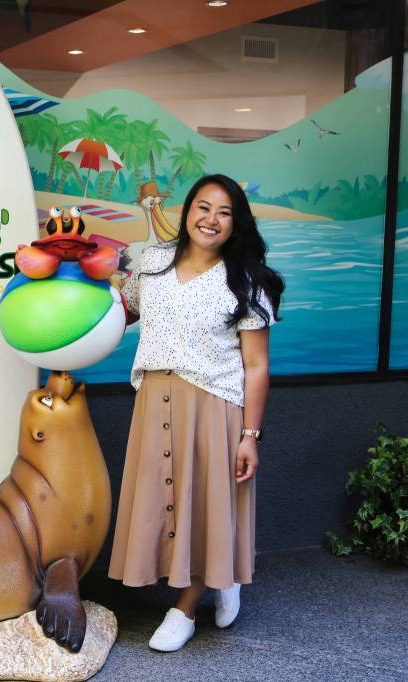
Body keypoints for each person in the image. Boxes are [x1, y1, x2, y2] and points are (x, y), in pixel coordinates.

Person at [108, 173, 284, 652]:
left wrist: (250, 435)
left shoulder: (246, 282)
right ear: (188, 211)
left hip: (214, 406)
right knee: (168, 502)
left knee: (207, 504)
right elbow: (124, 310)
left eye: (225, 213)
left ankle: (184, 608)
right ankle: (223, 575)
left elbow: (257, 366)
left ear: (236, 224)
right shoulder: (154, 262)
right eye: (204, 207)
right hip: (154, 400)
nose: (211, 219)